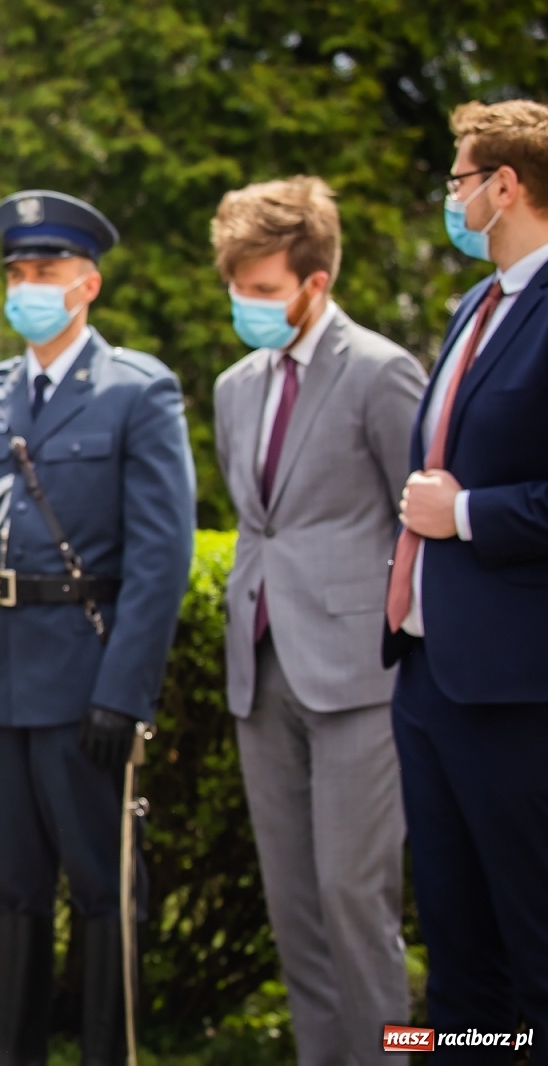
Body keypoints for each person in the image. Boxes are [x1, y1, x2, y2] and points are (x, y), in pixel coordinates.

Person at [0, 190, 196, 1066]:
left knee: (105, 891)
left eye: (45, 270)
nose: (27, 286)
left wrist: (125, 693)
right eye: (17, 272)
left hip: (85, 683)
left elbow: (162, 559)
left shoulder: (137, 391)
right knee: (14, 892)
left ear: (88, 284)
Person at [210, 177, 426, 1066]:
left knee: (354, 901)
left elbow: (419, 525)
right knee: (294, 907)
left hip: (359, 678)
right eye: (237, 287)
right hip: (261, 672)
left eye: (264, 289)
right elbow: (260, 526)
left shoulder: (381, 371)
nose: (246, 304)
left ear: (316, 282)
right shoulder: (234, 386)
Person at [384, 99, 548, 1058]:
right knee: (453, 954)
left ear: (505, 185)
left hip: (516, 688)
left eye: (458, 181)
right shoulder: (473, 307)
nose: (450, 200)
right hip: (428, 675)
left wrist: (471, 513)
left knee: (533, 947)